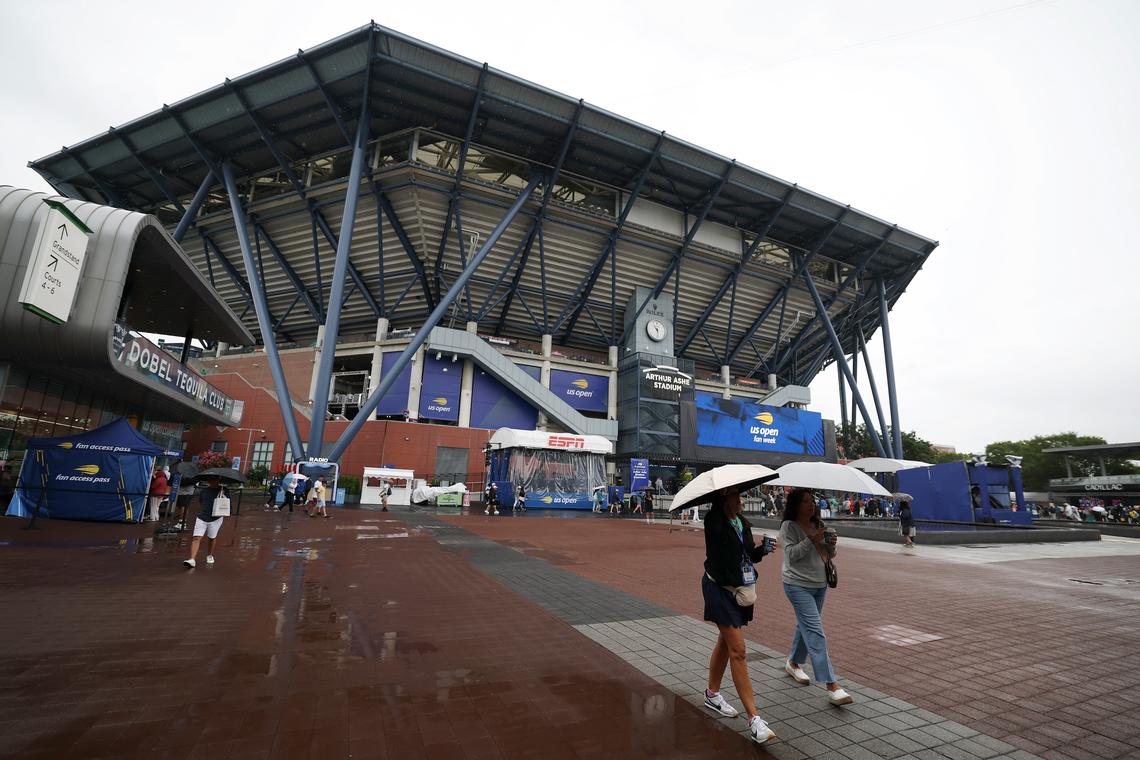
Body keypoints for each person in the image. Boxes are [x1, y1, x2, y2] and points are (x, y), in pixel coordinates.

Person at [700, 486, 777, 745]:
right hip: (718, 588)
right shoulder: (715, 521)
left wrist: (762, 550)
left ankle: (712, 693)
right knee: (739, 650)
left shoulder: (742, 521)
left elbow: (748, 555)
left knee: (726, 641)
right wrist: (724, 516)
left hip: (740, 589)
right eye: (735, 495)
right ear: (724, 499)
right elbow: (720, 552)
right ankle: (754, 719)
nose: (740, 499)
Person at [778, 488, 851, 706]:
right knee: (815, 631)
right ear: (795, 505)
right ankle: (831, 684)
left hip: (820, 584)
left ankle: (793, 662)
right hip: (797, 584)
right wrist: (811, 539)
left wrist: (830, 544)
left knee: (805, 626)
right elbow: (791, 556)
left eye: (813, 501)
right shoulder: (788, 526)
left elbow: (828, 555)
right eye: (806, 502)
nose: (811, 505)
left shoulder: (819, 524)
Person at [184, 477, 228, 568]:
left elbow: (227, 503)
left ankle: (210, 555)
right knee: (196, 537)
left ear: (218, 481)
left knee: (212, 537)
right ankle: (192, 559)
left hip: (216, 518)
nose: (212, 482)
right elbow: (201, 502)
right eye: (210, 480)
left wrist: (223, 495)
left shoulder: (224, 490)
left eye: (214, 480)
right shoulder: (204, 491)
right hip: (202, 517)